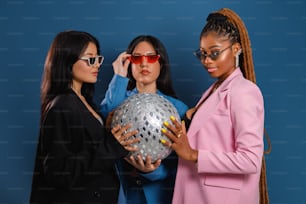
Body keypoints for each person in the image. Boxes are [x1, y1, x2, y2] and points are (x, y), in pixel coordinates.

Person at [161, 8, 266, 204]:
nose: (207, 61)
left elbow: (250, 159)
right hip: (196, 193)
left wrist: (193, 154)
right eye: (202, 54)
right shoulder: (212, 91)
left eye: (214, 53)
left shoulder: (244, 92)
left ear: (236, 49)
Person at [30, 30, 139, 204]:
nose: (96, 65)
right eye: (90, 60)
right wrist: (110, 146)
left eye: (97, 59)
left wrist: (105, 130)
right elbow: (58, 173)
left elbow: (83, 146)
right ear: (67, 61)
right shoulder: (62, 106)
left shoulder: (83, 100)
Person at [100, 35, 188, 204]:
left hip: (159, 196)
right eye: (137, 57)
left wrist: (151, 172)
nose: (144, 63)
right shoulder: (119, 99)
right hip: (124, 195)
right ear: (130, 61)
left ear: (160, 63)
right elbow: (106, 120)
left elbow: (181, 164)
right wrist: (119, 77)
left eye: (151, 57)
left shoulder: (178, 109)